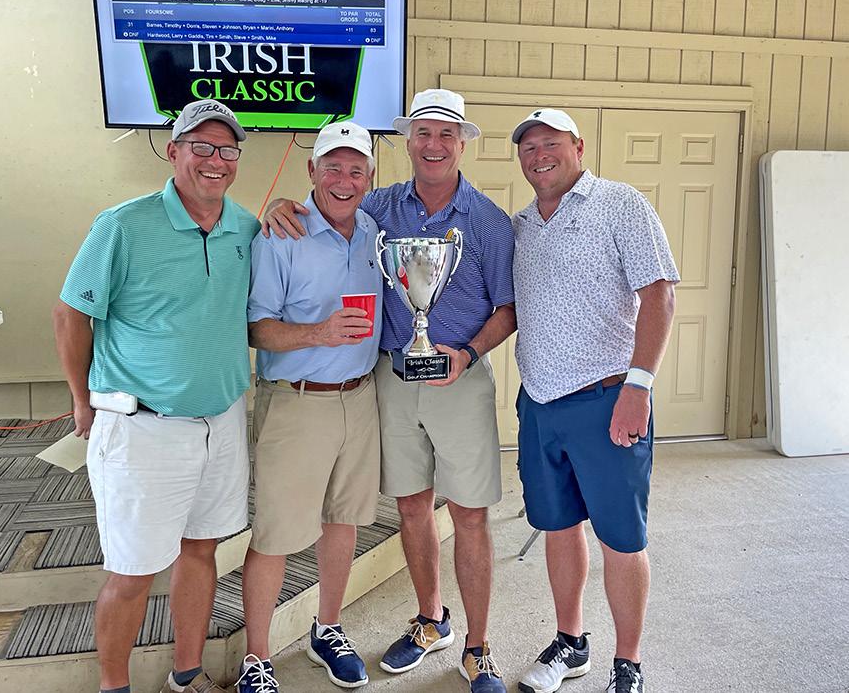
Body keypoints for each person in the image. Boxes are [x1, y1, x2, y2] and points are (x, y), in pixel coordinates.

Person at [264, 89, 515, 693]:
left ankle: (478, 648)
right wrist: (278, 206)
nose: (433, 144)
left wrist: (468, 352)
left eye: (446, 134)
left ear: (462, 144)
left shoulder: (489, 221)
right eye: (422, 132)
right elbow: (328, 204)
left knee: (469, 514)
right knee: (410, 505)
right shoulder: (378, 206)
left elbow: (509, 307)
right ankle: (431, 620)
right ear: (407, 142)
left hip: (459, 378)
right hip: (391, 378)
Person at [52, 99, 260, 693]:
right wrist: (82, 399)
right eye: (201, 146)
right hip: (142, 429)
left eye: (227, 149)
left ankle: (186, 676)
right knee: (132, 572)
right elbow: (71, 315)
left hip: (222, 422)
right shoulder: (121, 225)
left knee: (201, 552)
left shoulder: (246, 229)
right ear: (173, 152)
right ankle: (113, 686)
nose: (215, 160)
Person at [510, 109, 679, 693]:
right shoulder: (522, 225)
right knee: (559, 527)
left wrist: (639, 385)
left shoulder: (620, 204)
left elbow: (660, 295)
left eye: (550, 143)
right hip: (539, 402)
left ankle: (627, 663)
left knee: (621, 537)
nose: (539, 155)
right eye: (528, 147)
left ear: (578, 147)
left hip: (608, 400)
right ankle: (571, 641)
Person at [237, 121, 383, 692]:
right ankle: (256, 659)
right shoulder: (282, 234)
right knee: (275, 534)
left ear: (370, 177)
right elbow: (257, 328)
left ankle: (328, 628)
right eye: (333, 167)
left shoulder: (373, 230)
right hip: (296, 403)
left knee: (342, 521)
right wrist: (318, 333)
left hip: (361, 397)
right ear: (311, 171)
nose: (344, 180)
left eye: (356, 169)